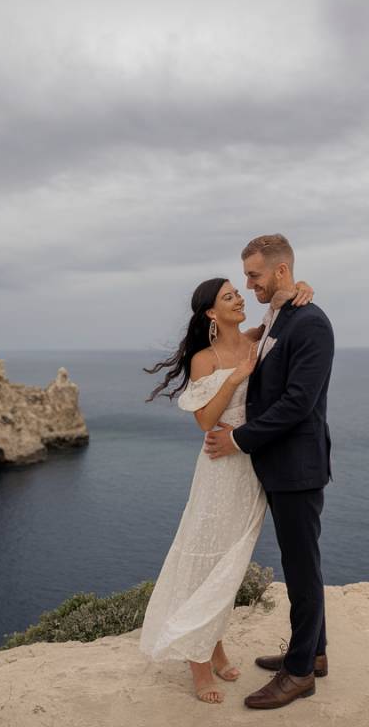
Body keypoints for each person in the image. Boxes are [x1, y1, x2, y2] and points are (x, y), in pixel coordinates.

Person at [139, 275, 314, 704]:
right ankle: (199, 663)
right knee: (204, 559)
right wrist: (236, 376)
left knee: (230, 564)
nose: (238, 300)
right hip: (219, 469)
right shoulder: (205, 359)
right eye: (228, 297)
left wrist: (297, 288)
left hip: (251, 468)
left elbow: (277, 312)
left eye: (238, 292)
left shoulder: (256, 338)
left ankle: (214, 646)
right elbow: (204, 421)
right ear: (211, 314)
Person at [204, 233, 334, 709]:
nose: (248, 284)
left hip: (298, 467)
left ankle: (300, 673)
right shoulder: (281, 312)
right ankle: (314, 653)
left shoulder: (312, 324)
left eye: (254, 275)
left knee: (302, 568)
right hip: (281, 465)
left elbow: (299, 403)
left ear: (281, 271)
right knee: (300, 563)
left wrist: (238, 439)